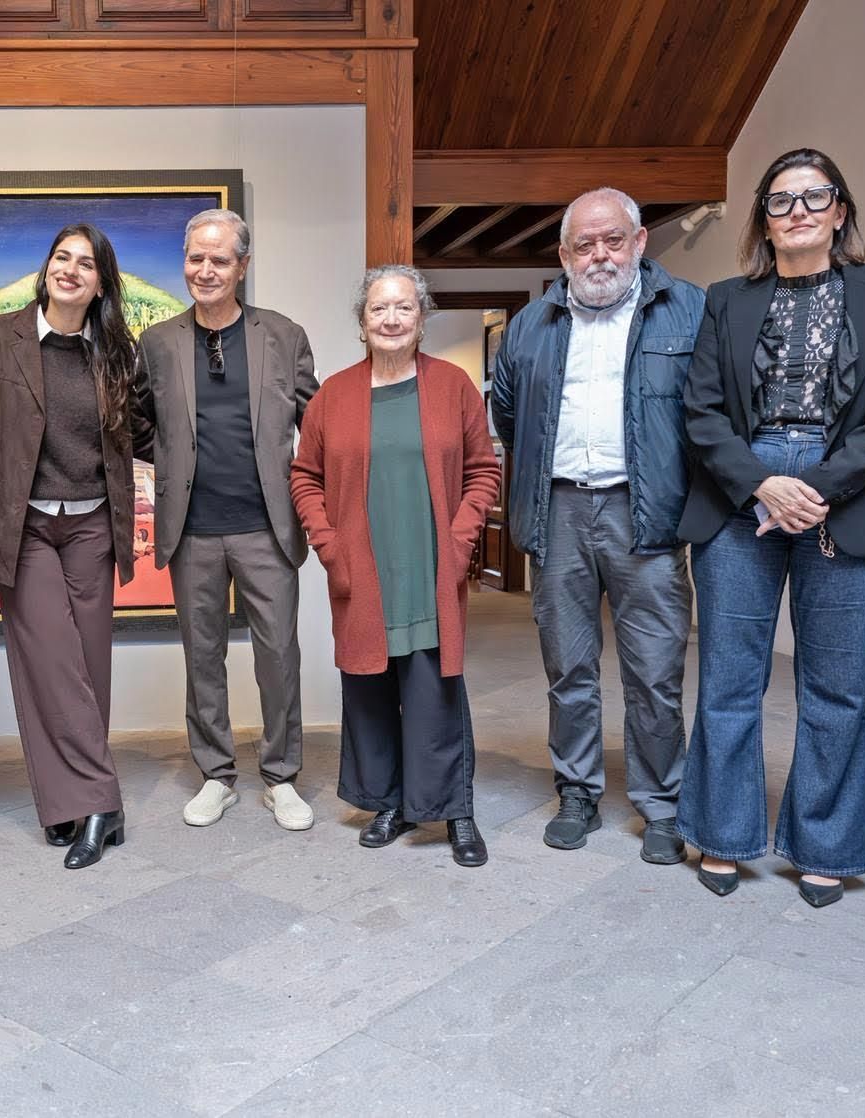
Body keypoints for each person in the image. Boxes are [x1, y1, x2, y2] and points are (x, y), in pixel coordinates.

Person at [677, 149, 865, 908]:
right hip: (739, 494)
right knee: (728, 679)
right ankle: (723, 834)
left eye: (815, 197)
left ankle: (825, 845)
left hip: (841, 493)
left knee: (837, 686)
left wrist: (813, 488)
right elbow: (702, 410)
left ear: (840, 210)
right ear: (764, 221)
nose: (799, 211)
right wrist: (761, 484)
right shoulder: (727, 299)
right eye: (781, 202)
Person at [491, 187, 704, 863]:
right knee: (568, 665)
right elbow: (507, 414)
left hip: (647, 514)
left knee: (655, 668)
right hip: (559, 511)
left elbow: (712, 415)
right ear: (564, 254)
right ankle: (578, 790)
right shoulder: (531, 325)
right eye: (584, 244)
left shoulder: (689, 312)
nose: (600, 254)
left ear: (640, 242)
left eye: (613, 239)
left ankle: (662, 803)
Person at [290, 265, 500, 865]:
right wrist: (329, 544)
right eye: (379, 308)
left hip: (431, 570)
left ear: (421, 318)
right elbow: (305, 477)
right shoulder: (333, 395)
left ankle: (453, 810)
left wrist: (461, 540)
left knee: (435, 694)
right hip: (363, 572)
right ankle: (388, 802)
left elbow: (483, 471)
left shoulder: (454, 386)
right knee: (371, 693)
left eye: (403, 308)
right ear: (362, 321)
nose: (390, 318)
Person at [0, 223, 150, 869]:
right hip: (28, 528)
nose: (71, 270)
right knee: (49, 661)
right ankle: (100, 802)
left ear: (101, 284)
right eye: (61, 258)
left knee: (89, 668)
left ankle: (64, 804)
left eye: (86, 264)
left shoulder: (116, 351)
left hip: (94, 525)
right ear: (46, 269)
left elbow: (143, 435)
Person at [134, 209, 319, 831]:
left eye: (219, 260)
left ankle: (281, 776)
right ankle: (216, 774)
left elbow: (316, 425)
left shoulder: (283, 335)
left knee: (278, 657)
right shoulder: (158, 342)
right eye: (195, 258)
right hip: (191, 530)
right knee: (201, 657)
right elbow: (137, 424)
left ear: (242, 266)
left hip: (268, 525)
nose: (205, 270)